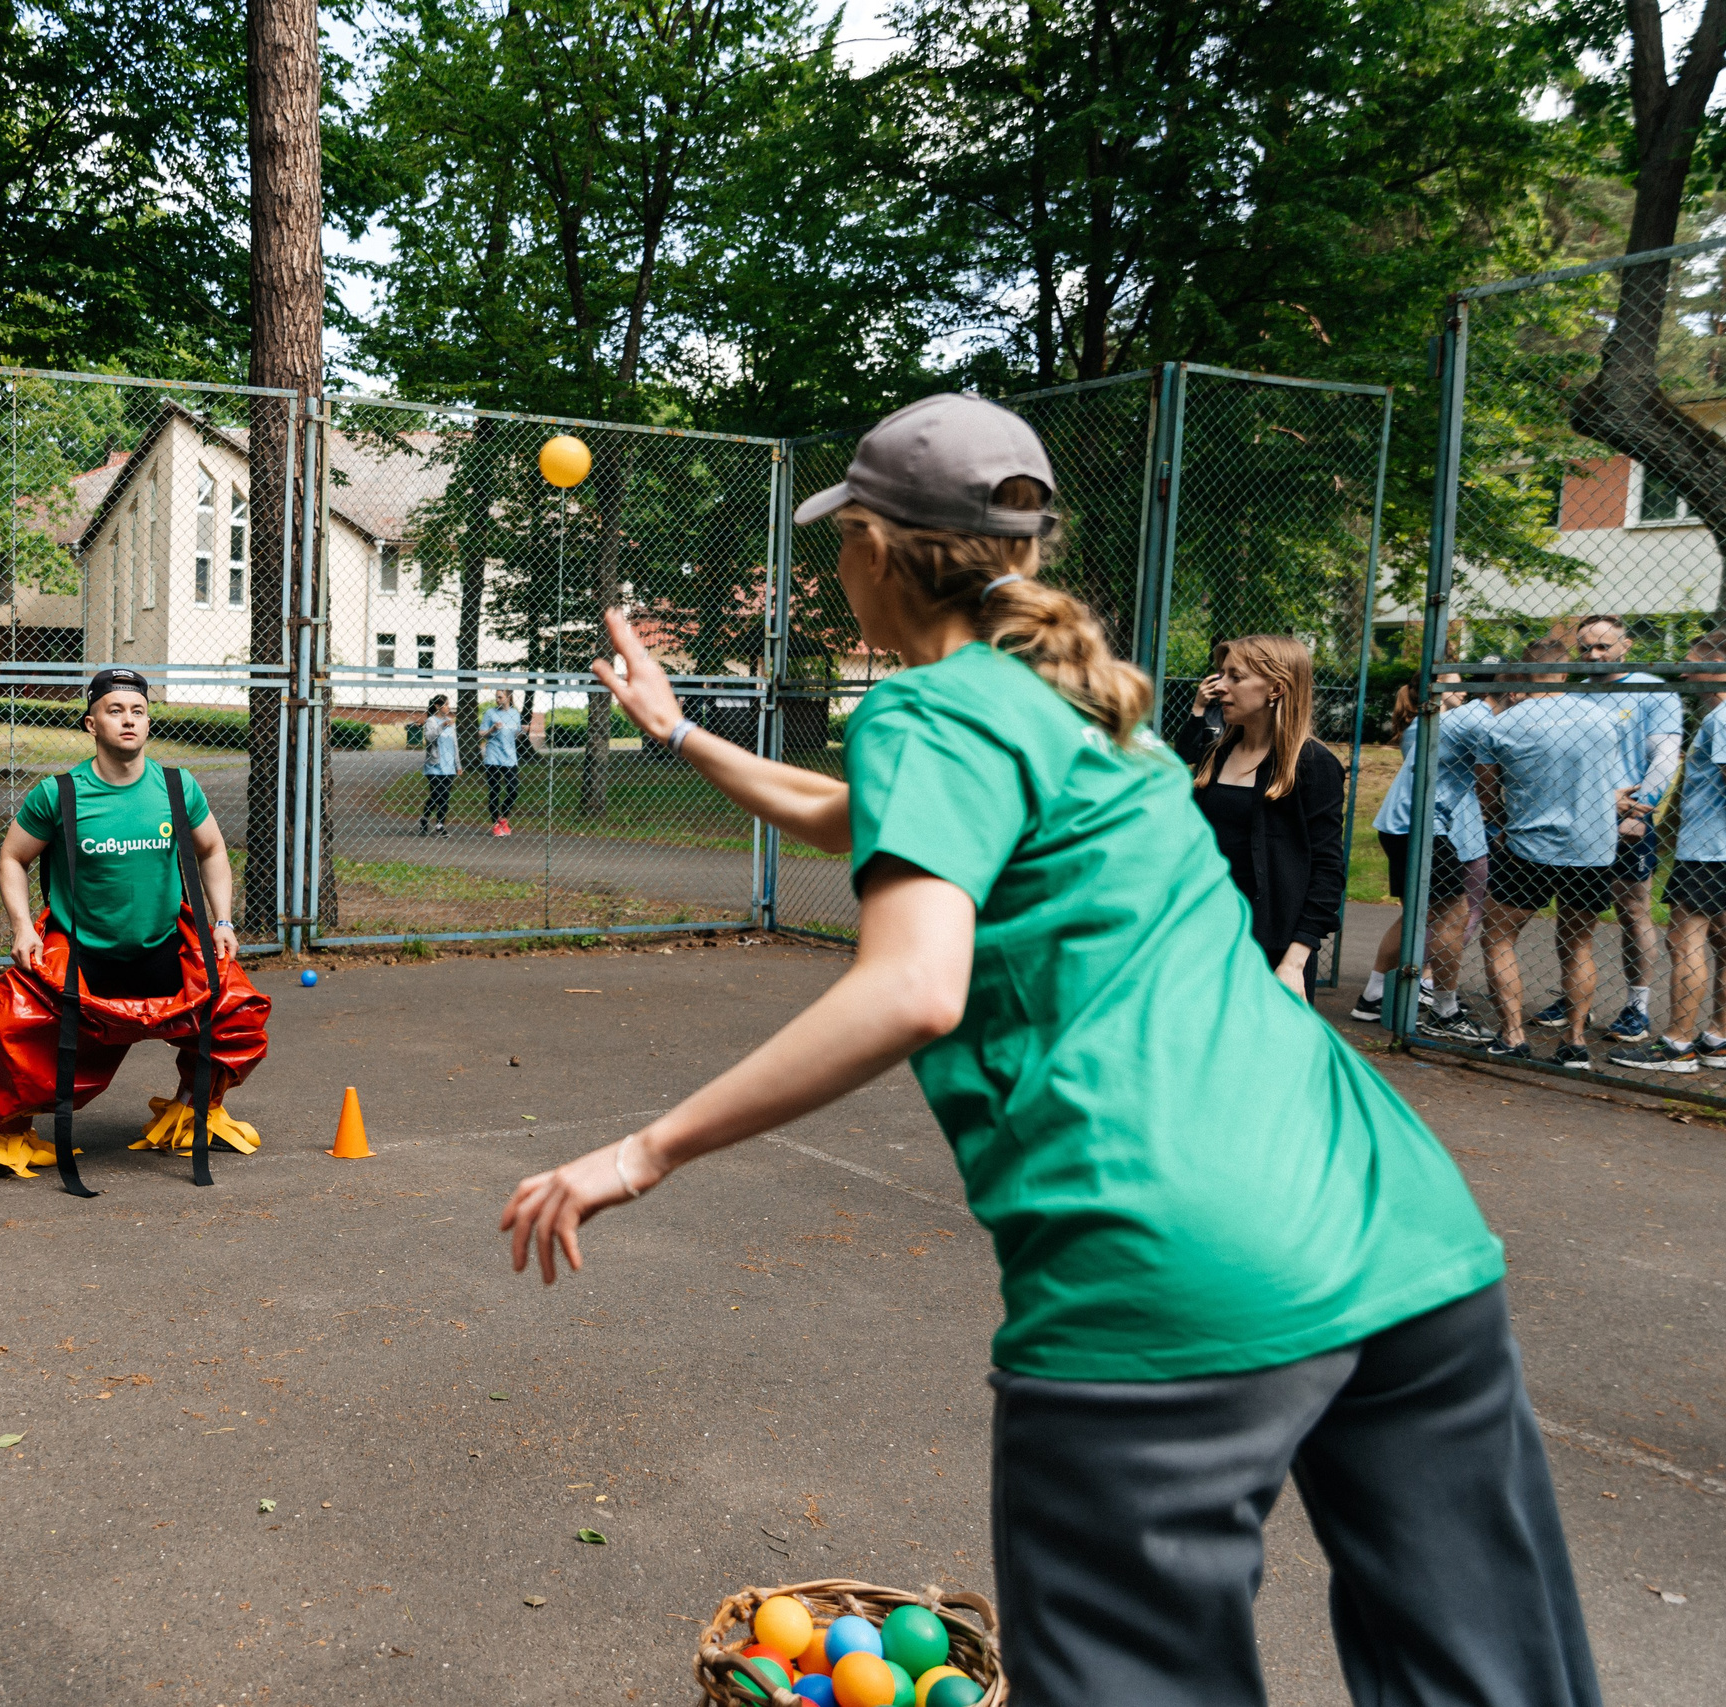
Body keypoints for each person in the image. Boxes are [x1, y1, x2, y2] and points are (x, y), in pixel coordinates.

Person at [501, 394, 1599, 1707]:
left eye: (836, 539)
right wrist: (677, 732)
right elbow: (854, 814)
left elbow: (910, 984)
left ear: (872, 543)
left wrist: (643, 1149)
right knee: (1487, 1677)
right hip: (1400, 1225)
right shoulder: (1094, 722)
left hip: (1169, 1267)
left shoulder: (931, 711)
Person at [0, 668, 270, 1186]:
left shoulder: (176, 786)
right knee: (16, 1024)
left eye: (138, 711)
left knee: (235, 1011)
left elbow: (212, 850)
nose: (129, 720)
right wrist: (21, 928)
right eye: (115, 710)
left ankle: (194, 1110)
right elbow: (12, 858)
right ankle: (7, 1133)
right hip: (83, 951)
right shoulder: (59, 794)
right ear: (91, 723)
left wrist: (223, 919)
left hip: (161, 945)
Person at [1464, 641, 1628, 1067]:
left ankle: (1513, 1033)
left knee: (1499, 938)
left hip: (1526, 847)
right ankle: (1574, 1041)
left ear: (1521, 674)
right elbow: (1613, 785)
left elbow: (1487, 791)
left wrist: (1502, 816)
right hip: (1591, 848)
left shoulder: (1502, 725)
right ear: (1564, 672)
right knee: (1578, 945)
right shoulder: (1605, 718)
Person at [1177, 635, 1348, 1000]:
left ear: (1276, 688)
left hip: (1272, 951)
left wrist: (1294, 961)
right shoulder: (1216, 754)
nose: (1219, 687)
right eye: (1221, 674)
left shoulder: (1313, 765)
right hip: (1204, 938)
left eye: (1235, 677)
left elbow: (1327, 870)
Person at [1537, 617, 1680, 1042]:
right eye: (1586, 648)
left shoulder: (1654, 690)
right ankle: (1572, 997)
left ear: (1625, 645)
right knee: (1573, 911)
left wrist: (1641, 813)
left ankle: (1637, 1006)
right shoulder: (1577, 692)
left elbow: (1665, 759)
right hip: (1580, 816)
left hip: (1627, 818)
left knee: (1633, 910)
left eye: (1603, 647)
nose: (1594, 656)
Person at [1612, 632, 1726, 1072]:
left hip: (1710, 851)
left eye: (1689, 662)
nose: (1681, 671)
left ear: (1717, 665)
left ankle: (1678, 1045)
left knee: (1686, 941)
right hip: (1713, 848)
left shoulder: (1722, 718)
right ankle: (1717, 1037)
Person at [1353, 679, 1490, 1042]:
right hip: (1419, 826)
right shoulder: (1447, 722)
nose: (1463, 692)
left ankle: (1373, 995)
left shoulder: (1451, 719)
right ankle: (1444, 1009)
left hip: (1411, 825)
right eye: (1452, 684)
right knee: (1453, 915)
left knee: (1420, 913)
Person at [481, 688, 524, 836]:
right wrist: (492, 729)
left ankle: (503, 818)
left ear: (508, 697)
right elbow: (481, 733)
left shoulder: (515, 714)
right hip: (493, 756)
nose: (497, 700)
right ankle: (495, 824)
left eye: (500, 697)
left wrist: (523, 731)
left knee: (513, 789)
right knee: (495, 791)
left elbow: (515, 735)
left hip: (510, 757)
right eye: (496, 697)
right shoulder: (490, 713)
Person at [417, 692, 458, 835]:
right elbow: (429, 738)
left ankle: (440, 825)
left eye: (448, 704)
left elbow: (455, 745)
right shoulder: (431, 721)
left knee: (445, 796)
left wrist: (458, 765)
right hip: (434, 765)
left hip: (449, 766)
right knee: (437, 795)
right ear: (437, 706)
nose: (448, 707)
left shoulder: (451, 723)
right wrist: (442, 726)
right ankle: (424, 818)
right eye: (446, 704)